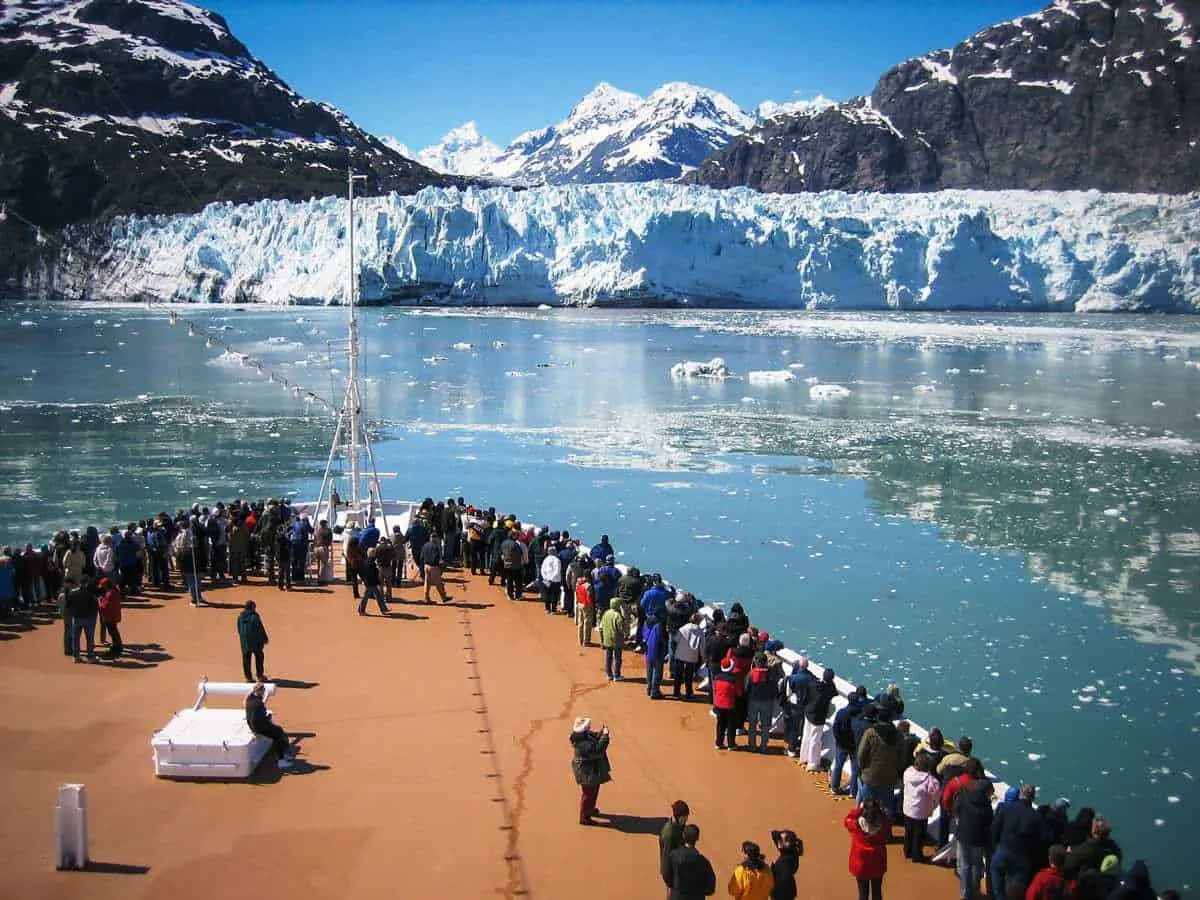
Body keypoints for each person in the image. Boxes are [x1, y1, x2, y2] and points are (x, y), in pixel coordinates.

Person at [992, 783, 1050, 899]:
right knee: (1016, 894)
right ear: (1033, 797)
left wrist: (997, 846)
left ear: (1020, 795)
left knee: (998, 887)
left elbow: (994, 830)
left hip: (1002, 853)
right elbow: (1045, 839)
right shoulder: (1036, 817)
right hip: (1021, 861)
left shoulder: (1006, 808)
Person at [955, 765, 995, 900]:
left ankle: (965, 894)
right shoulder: (987, 807)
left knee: (965, 865)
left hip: (964, 835)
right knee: (977, 864)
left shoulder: (964, 795)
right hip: (978, 839)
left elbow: (957, 809)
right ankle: (976, 891)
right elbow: (989, 822)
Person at [845, 797, 889, 900]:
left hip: (861, 867)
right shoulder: (883, 827)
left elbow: (847, 820)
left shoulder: (856, 826)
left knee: (863, 894)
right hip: (877, 866)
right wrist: (880, 812)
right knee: (877, 892)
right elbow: (887, 821)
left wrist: (859, 810)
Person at [569, 717, 611, 825]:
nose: (590, 728)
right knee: (588, 794)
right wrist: (605, 736)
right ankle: (584, 817)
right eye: (588, 727)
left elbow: (595, 736)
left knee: (594, 790)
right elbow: (598, 749)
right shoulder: (582, 742)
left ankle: (590, 809)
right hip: (586, 772)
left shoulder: (584, 735)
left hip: (591, 770)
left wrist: (601, 733)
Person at [901, 752, 940, 862]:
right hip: (921, 812)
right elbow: (936, 796)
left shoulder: (908, 772)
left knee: (908, 831)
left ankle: (907, 851)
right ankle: (917, 856)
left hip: (908, 809)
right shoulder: (931, 780)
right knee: (919, 835)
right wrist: (933, 806)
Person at [245, 682, 293, 769]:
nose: (264, 693)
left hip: (253, 725)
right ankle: (281, 760)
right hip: (258, 727)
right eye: (263, 691)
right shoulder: (259, 704)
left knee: (278, 730)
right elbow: (259, 720)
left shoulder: (249, 698)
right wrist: (267, 719)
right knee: (278, 734)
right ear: (260, 691)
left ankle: (284, 753)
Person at [662, 823, 717, 900]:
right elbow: (710, 887)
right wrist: (699, 892)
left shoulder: (673, 856)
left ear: (683, 836)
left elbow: (666, 875)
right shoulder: (703, 861)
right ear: (697, 838)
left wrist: (675, 887)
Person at [831, 686, 867, 796]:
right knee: (855, 768)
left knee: (838, 765)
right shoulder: (861, 714)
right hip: (855, 745)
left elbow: (835, 728)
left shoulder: (842, 712)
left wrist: (838, 740)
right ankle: (853, 791)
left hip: (842, 744)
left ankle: (834, 787)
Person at [800, 667, 837, 771]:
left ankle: (803, 757)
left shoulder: (813, 684)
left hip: (808, 712)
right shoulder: (829, 690)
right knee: (815, 740)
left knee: (806, 735)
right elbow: (835, 692)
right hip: (818, 718)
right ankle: (812, 764)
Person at [673, 612, 705, 700]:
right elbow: (702, 646)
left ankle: (676, 692)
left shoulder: (683, 628)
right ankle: (689, 693)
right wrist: (703, 657)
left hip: (680, 653)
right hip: (691, 655)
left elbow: (676, 639)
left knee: (678, 674)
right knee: (689, 676)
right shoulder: (700, 631)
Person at [65, 579, 99, 663]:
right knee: (90, 638)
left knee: (75, 638)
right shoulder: (90, 594)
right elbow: (95, 606)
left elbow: (68, 606)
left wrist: (73, 614)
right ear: (86, 584)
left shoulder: (72, 593)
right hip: (89, 618)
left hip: (76, 618)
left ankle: (76, 657)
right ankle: (90, 656)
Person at [660, 801, 691, 885]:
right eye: (685, 817)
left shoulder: (680, 825)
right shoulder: (668, 834)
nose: (686, 819)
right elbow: (667, 859)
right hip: (673, 875)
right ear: (679, 817)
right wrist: (670, 880)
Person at [712, 656, 739, 750]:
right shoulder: (733, 680)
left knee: (720, 724)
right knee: (731, 725)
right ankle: (731, 744)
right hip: (730, 705)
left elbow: (715, 690)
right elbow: (737, 692)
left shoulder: (717, 677)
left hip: (719, 704)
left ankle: (719, 743)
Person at [237, 600, 269, 682]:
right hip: (255, 642)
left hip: (245, 642)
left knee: (246, 659)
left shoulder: (240, 617)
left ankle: (248, 678)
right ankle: (260, 675)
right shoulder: (255, 617)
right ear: (252, 608)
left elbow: (239, 629)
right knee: (259, 657)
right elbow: (260, 629)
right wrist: (264, 639)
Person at [599, 597, 627, 681]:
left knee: (608, 657)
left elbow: (601, 627)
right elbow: (621, 628)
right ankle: (617, 675)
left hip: (607, 639)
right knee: (618, 658)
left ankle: (609, 674)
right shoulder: (618, 615)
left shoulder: (606, 613)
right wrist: (625, 634)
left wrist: (602, 639)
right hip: (617, 639)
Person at [769, 830, 801, 900]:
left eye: (781, 840)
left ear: (788, 844)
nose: (778, 842)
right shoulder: (792, 852)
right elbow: (774, 834)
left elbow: (784, 881)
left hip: (782, 896)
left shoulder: (785, 862)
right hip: (789, 893)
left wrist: (772, 873)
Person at [96, 577, 123, 660]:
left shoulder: (110, 593)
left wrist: (100, 601)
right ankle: (116, 648)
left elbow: (106, 606)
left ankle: (117, 649)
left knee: (113, 633)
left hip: (110, 616)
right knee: (114, 633)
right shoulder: (114, 592)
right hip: (114, 615)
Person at [420, 534, 450, 603]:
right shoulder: (435, 547)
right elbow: (437, 558)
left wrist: (421, 568)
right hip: (433, 567)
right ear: (435, 538)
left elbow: (421, 557)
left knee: (427, 583)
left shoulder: (425, 545)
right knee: (439, 583)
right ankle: (444, 598)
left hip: (426, 566)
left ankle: (426, 598)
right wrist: (440, 567)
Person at [575, 573, 596, 646]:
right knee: (587, 623)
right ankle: (586, 641)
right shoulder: (588, 585)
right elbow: (589, 596)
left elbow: (577, 593)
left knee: (580, 623)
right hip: (586, 605)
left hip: (580, 603)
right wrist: (591, 605)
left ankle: (580, 640)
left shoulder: (578, 582)